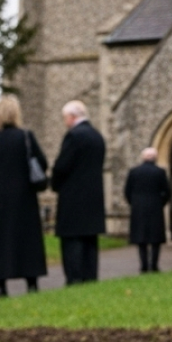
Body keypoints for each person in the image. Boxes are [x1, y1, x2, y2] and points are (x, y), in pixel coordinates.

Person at [0, 95, 48, 297]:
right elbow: (41, 163)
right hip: (23, 196)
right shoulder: (25, 136)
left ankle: (0, 286)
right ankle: (32, 283)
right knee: (27, 239)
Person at [50, 100, 105, 285]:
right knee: (90, 241)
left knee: (72, 241)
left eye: (65, 118)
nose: (65, 122)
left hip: (73, 197)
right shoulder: (97, 137)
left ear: (73, 117)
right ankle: (90, 277)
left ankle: (74, 278)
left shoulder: (74, 136)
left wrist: (55, 184)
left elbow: (62, 166)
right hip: (94, 197)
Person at [124, 147, 171, 273]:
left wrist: (134, 203)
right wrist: (161, 203)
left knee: (141, 238)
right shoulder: (160, 172)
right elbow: (167, 192)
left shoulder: (134, 172)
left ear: (143, 157)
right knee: (155, 239)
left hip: (138, 208)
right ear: (155, 158)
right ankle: (154, 265)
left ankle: (143, 265)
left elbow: (127, 191)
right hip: (155, 207)